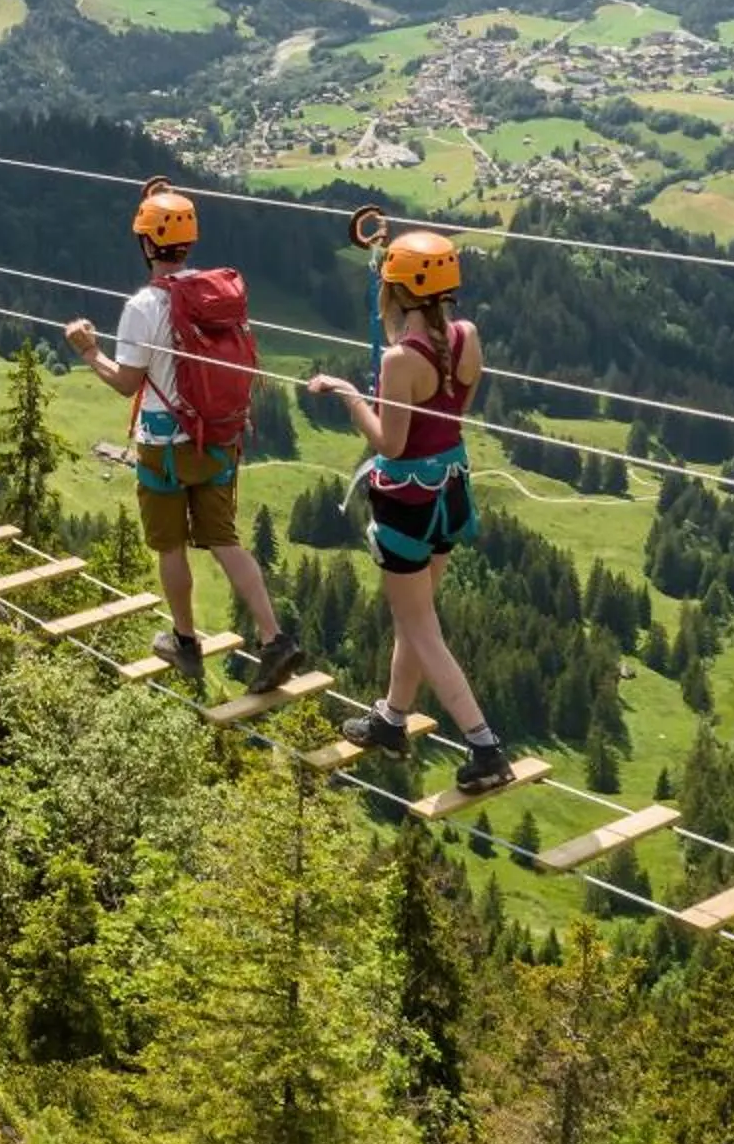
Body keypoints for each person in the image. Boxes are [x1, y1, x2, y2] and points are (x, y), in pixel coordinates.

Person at [64, 183, 303, 695]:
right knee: (223, 539)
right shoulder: (217, 294)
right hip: (217, 438)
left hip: (163, 443)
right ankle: (274, 637)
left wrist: (88, 350)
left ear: (147, 244)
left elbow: (127, 382)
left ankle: (185, 642)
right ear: (188, 243)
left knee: (170, 545)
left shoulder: (144, 305)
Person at [301, 231, 512, 794]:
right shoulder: (467, 337)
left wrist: (349, 395)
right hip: (452, 488)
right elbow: (453, 413)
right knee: (413, 619)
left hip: (406, 500)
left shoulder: (400, 360)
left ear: (395, 292)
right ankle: (392, 718)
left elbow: (390, 444)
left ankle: (484, 744)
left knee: (419, 624)